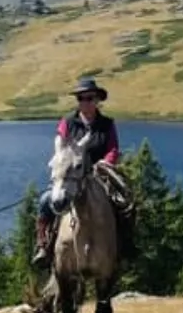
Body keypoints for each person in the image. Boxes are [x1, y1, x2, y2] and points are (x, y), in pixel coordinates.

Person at [31, 77, 135, 268]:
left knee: (124, 201)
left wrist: (105, 162)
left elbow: (113, 148)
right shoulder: (68, 122)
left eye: (89, 98)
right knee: (47, 200)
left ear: (97, 100)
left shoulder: (107, 124)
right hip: (70, 175)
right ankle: (44, 245)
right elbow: (60, 144)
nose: (84, 102)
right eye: (81, 98)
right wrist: (62, 164)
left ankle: (125, 245)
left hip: (99, 173)